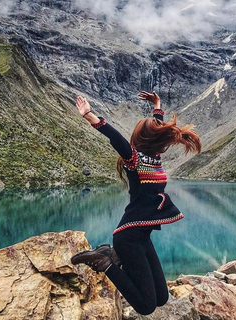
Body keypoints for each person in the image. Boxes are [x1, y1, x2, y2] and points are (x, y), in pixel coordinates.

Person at [71, 92, 201, 315]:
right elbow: (114, 137)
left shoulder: (154, 157)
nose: (165, 144)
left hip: (142, 237)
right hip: (128, 237)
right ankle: (105, 261)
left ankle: (110, 256)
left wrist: (157, 106)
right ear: (150, 141)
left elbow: (157, 128)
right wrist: (88, 115)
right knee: (146, 306)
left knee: (162, 297)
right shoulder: (134, 159)